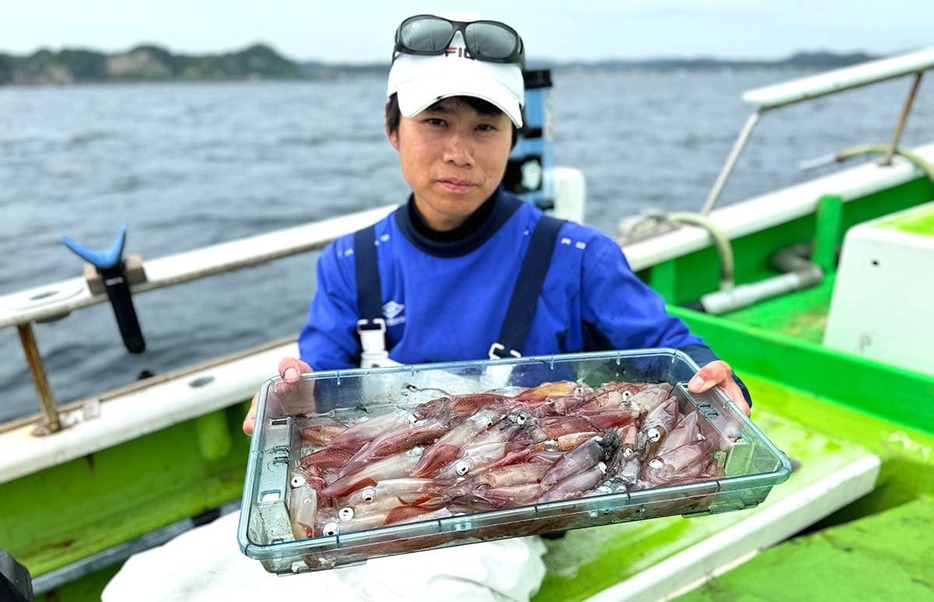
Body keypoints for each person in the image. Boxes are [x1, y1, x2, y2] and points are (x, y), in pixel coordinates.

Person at [105, 11, 751, 602]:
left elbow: (672, 346)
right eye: (436, 121)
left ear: (513, 138)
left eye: (484, 126)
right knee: (149, 585)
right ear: (393, 129)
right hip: (359, 492)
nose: (458, 152)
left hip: (506, 511)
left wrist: (720, 383)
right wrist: (285, 397)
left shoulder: (578, 255)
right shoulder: (350, 262)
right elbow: (316, 378)